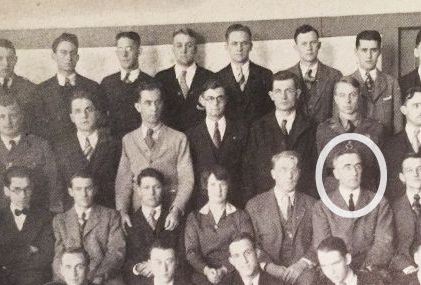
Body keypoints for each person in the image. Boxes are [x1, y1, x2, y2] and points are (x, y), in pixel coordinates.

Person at [115, 81, 194, 231]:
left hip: (170, 215)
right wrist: (123, 212)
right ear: (138, 106)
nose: (154, 108)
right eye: (148, 103)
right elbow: (123, 183)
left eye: (157, 102)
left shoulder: (179, 138)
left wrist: (176, 209)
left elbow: (187, 179)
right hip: (138, 215)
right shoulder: (128, 140)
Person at [0, 95, 61, 220]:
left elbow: (54, 185)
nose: (8, 122)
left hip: (35, 217)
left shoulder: (40, 146)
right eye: (2, 116)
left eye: (13, 115)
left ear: (21, 117)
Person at [246, 151, 316, 285]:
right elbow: (251, 243)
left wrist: (301, 264)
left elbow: (318, 241)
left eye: (294, 170)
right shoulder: (255, 205)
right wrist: (270, 267)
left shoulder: (312, 204)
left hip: (302, 269)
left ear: (299, 173)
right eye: (283, 170)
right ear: (273, 174)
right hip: (268, 268)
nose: (289, 175)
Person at [311, 143, 393, 271]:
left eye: (358, 166)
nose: (354, 172)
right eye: (347, 167)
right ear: (336, 173)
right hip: (336, 270)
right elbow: (323, 246)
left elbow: (384, 244)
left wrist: (366, 270)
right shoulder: (322, 206)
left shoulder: (380, 203)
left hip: (371, 269)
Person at [52, 170, 126, 285]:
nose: (83, 194)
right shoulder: (60, 220)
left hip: (102, 275)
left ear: (95, 190)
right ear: (70, 191)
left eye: (88, 188)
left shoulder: (111, 216)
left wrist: (97, 275)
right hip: (69, 276)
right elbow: (58, 255)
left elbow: (116, 252)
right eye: (78, 189)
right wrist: (69, 277)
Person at [244, 70, 316, 198]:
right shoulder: (258, 128)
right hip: (267, 203)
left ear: (297, 93)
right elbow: (249, 172)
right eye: (278, 91)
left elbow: (315, 170)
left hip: (302, 201)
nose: (283, 97)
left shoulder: (311, 127)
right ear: (271, 95)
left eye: (288, 91)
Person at [184, 166, 254, 285]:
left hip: (234, 270)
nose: (218, 190)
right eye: (213, 185)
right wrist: (206, 271)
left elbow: (247, 246)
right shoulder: (194, 218)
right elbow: (191, 252)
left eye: (222, 184)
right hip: (202, 273)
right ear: (206, 187)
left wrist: (223, 269)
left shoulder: (240, 215)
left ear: (228, 187)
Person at [186, 78, 248, 208]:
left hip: (235, 201)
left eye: (220, 98)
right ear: (202, 100)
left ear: (226, 100)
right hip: (202, 204)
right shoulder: (190, 135)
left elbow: (247, 171)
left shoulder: (242, 131)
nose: (215, 103)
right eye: (210, 98)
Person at [53, 90, 121, 209]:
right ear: (72, 117)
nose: (84, 116)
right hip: (74, 214)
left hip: (108, 211)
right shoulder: (61, 147)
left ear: (97, 113)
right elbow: (59, 186)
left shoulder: (115, 144)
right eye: (78, 111)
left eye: (88, 110)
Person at [316, 76, 385, 192]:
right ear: (336, 99)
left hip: (367, 192)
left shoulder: (376, 128)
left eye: (352, 95)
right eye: (342, 95)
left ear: (359, 97)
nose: (347, 100)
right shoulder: (324, 130)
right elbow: (321, 170)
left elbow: (380, 170)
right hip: (334, 195)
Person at [35, 33, 105, 144]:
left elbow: (101, 124)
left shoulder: (93, 87)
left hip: (85, 151)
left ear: (77, 57)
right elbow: (38, 129)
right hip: (54, 152)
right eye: (63, 53)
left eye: (72, 53)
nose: (68, 58)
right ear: (54, 56)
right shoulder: (41, 90)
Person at [124, 168, 179, 283]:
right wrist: (137, 268)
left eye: (157, 187)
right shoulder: (130, 222)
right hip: (141, 280)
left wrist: (158, 268)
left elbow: (182, 254)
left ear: (163, 189)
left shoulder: (174, 219)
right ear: (138, 190)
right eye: (146, 187)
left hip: (171, 278)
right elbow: (125, 259)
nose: (152, 193)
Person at [155, 28, 214, 132]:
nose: (184, 50)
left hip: (201, 140)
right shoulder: (161, 78)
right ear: (173, 49)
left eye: (189, 45)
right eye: (179, 45)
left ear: (195, 49)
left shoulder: (209, 77)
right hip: (170, 142)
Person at [100, 31, 154, 139]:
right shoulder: (107, 83)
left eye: (129, 49)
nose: (124, 54)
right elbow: (101, 120)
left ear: (139, 51)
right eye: (120, 49)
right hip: (115, 145)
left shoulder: (151, 82)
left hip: (143, 143)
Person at [215, 24, 274, 125]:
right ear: (226, 46)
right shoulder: (217, 77)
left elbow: (271, 111)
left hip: (259, 137)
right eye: (234, 43)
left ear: (250, 46)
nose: (239, 48)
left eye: (244, 43)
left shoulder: (266, 75)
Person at [285, 24, 343, 124]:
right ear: (296, 47)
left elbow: (338, 112)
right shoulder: (286, 76)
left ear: (319, 45)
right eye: (304, 44)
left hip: (325, 135)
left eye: (313, 43)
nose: (309, 48)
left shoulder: (334, 75)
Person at [348, 30, 402, 134]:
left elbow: (398, 126)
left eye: (373, 50)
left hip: (386, 146)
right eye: (364, 50)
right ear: (356, 51)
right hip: (357, 146)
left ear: (379, 51)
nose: (369, 55)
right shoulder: (346, 82)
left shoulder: (391, 83)